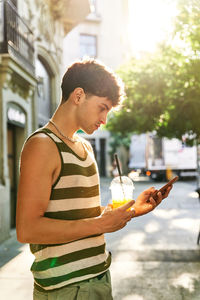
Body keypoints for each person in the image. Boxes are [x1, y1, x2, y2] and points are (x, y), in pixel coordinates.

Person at [16, 59, 172, 300]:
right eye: (102, 107)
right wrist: (101, 225)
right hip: (67, 289)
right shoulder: (42, 145)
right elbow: (28, 229)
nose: (104, 119)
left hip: (97, 278)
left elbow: (80, 213)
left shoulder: (85, 148)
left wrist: (129, 211)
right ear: (78, 96)